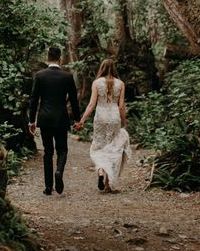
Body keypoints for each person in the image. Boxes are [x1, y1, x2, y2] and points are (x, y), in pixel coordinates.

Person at [28, 46, 81, 195]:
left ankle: (48, 187)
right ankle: (59, 171)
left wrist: (31, 121)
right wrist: (77, 119)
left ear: (47, 57)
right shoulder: (67, 77)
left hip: (44, 118)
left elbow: (33, 100)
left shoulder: (39, 75)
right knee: (62, 150)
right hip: (61, 118)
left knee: (48, 152)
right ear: (60, 58)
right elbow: (74, 101)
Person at [74, 59, 130, 192]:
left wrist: (82, 121)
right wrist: (124, 122)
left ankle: (100, 171)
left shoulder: (96, 83)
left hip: (100, 117)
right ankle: (107, 184)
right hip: (114, 117)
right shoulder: (121, 84)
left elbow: (91, 104)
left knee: (98, 146)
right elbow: (121, 106)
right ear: (114, 68)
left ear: (102, 68)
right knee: (113, 148)